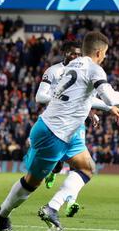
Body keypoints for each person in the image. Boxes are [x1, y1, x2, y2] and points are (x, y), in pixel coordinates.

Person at [0, 31, 119, 231]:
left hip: (66, 131)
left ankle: (52, 208)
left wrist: (103, 110)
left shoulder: (72, 65)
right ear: (99, 52)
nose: (105, 57)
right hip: (53, 133)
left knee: (87, 168)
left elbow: (81, 97)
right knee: (32, 182)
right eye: (105, 53)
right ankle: (2, 213)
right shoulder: (94, 69)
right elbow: (111, 97)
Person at [35, 40, 99, 217]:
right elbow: (40, 96)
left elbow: (83, 98)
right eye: (72, 53)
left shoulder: (84, 71)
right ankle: (53, 172)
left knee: (81, 165)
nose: (76, 56)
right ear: (64, 53)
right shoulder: (54, 71)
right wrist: (61, 99)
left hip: (76, 122)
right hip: (56, 122)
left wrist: (91, 113)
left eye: (79, 54)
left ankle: (70, 202)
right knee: (59, 165)